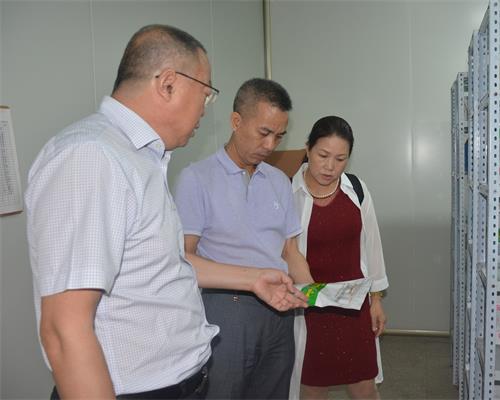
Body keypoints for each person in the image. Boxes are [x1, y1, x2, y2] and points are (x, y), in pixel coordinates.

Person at [25, 24, 306, 399]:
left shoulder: (141, 160)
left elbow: (168, 264)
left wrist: (253, 278)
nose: (205, 109)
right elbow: (64, 330)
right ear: (169, 84)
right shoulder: (92, 157)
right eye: (205, 95)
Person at [174, 78, 314, 399]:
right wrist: (251, 280)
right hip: (227, 311)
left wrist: (315, 293)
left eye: (279, 136)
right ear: (236, 122)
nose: (270, 145)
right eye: (264, 132)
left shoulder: (279, 181)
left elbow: (290, 251)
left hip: (279, 313)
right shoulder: (197, 178)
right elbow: (184, 258)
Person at [289, 116, 389, 400]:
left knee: (364, 386)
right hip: (310, 308)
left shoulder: (356, 190)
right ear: (308, 148)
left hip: (353, 306)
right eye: (323, 155)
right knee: (313, 387)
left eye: (340, 159)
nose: (330, 166)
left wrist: (376, 299)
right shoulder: (288, 192)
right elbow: (284, 252)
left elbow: (373, 246)